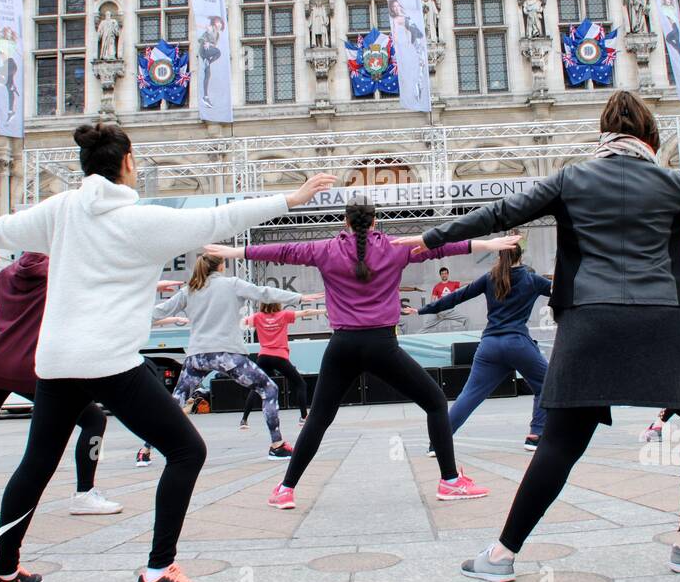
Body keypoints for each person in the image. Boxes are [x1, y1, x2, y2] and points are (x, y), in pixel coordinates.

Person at [389, 90, 680, 582]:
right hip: (661, 317)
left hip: (590, 319)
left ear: (602, 138)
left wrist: (432, 238)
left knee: (561, 441)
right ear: (650, 137)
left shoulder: (570, 178)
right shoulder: (675, 182)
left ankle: (501, 555)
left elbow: (501, 212)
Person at [0, 124, 334, 582]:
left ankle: (3, 570)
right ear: (127, 163)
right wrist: (291, 198)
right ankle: (159, 574)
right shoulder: (140, 221)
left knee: (36, 464)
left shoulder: (60, 212)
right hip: (109, 363)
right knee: (186, 451)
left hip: (55, 363)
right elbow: (220, 219)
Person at [202, 199, 522, 510]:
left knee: (319, 419)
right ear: (375, 221)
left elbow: (282, 251)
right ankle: (449, 481)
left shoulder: (324, 249)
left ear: (344, 222)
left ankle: (286, 489)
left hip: (342, 346)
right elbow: (444, 246)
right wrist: (490, 245)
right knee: (436, 402)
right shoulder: (396, 246)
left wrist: (235, 251)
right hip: (382, 345)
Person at [0, 252, 122, 519]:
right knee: (94, 422)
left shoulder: (8, 274)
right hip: (33, 370)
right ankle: (85, 493)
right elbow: (102, 289)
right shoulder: (60, 275)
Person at [148, 254, 317, 460]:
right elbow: (264, 293)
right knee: (269, 389)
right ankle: (277, 444)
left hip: (197, 356)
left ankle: (145, 449)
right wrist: (298, 298)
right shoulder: (232, 284)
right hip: (227, 354)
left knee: (176, 401)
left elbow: (158, 312)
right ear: (221, 267)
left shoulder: (190, 290)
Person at [413, 238, 551, 451]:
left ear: (499, 255)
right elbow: (564, 293)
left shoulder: (489, 278)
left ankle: (438, 442)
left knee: (469, 396)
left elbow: (456, 297)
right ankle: (535, 435)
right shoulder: (532, 280)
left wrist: (421, 310)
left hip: (490, 346)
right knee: (546, 385)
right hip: (517, 344)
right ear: (520, 257)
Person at [240, 301, 327, 430]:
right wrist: (324, 310)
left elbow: (241, 323)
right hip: (279, 356)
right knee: (300, 384)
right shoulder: (283, 315)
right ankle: (303, 417)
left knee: (256, 387)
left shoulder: (257, 317)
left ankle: (244, 420)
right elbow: (306, 312)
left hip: (263, 357)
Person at [424, 266, 469, 331]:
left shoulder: (453, 284)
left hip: (450, 311)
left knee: (467, 319)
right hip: (440, 311)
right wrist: (435, 311)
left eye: (445, 273)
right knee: (426, 327)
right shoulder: (437, 286)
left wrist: (473, 283)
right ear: (440, 275)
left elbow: (463, 283)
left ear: (448, 274)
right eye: (442, 274)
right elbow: (432, 301)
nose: (444, 275)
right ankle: (414, 338)